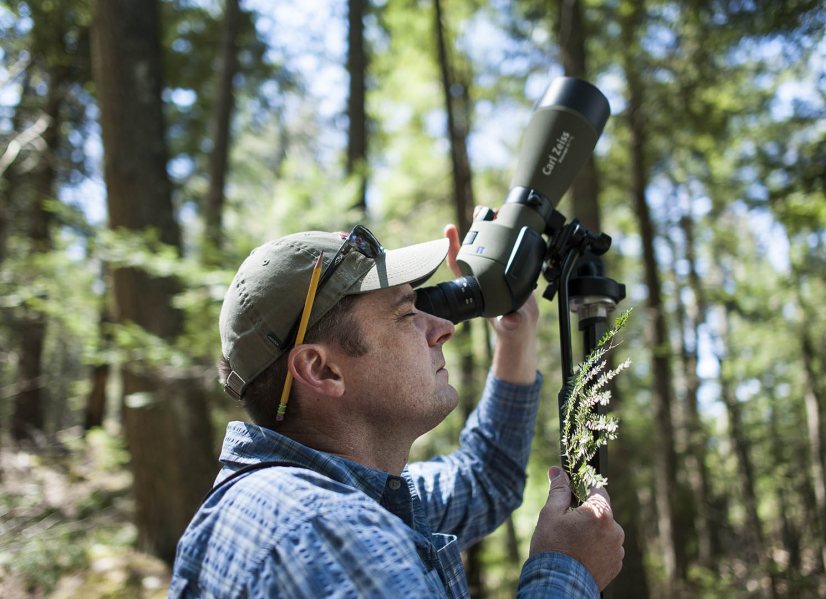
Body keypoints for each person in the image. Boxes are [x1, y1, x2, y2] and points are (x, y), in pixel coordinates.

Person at [169, 223, 624, 598]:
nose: (444, 328)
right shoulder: (327, 533)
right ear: (322, 370)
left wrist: (515, 332)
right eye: (407, 314)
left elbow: (486, 479)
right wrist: (568, 573)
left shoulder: (334, 496)